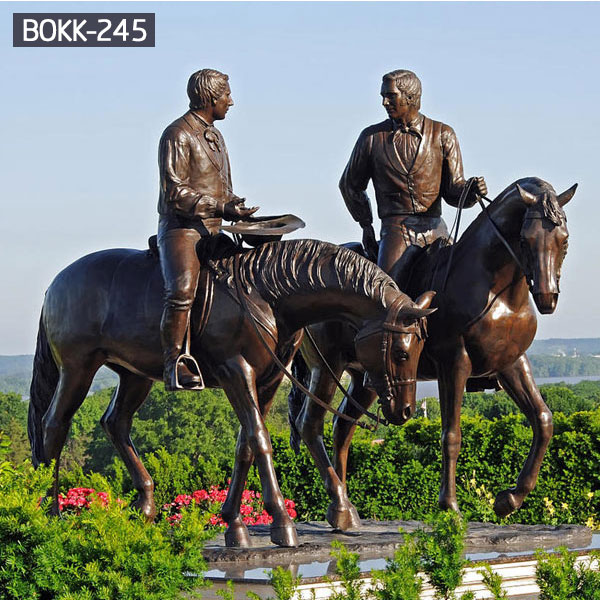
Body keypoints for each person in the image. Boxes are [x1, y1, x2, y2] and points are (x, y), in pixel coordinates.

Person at [157, 68, 257, 390]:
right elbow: (174, 193)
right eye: (226, 95)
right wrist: (220, 207)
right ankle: (175, 362)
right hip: (183, 230)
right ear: (211, 98)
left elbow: (221, 188)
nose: (231, 101)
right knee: (182, 290)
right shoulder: (177, 134)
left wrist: (235, 206)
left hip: (214, 228)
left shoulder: (215, 136)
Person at [339, 69, 487, 283]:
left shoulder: (443, 134)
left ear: (410, 97)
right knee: (388, 292)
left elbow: (453, 189)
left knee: (465, 280)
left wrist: (471, 192)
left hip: (436, 229)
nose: (384, 102)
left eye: (390, 96)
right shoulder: (371, 138)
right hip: (395, 231)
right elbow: (349, 186)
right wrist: (366, 224)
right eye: (383, 96)